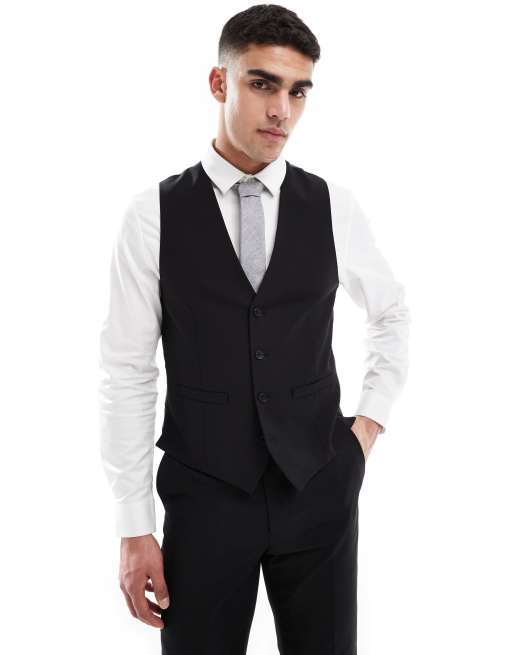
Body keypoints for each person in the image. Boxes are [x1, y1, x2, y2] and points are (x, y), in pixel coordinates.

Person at [98, 4, 410, 653]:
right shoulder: (153, 216)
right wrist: (133, 525)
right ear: (220, 83)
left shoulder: (333, 206)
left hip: (319, 485)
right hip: (204, 499)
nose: (281, 111)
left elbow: (391, 313)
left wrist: (366, 429)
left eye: (297, 92)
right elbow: (127, 370)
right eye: (263, 83)